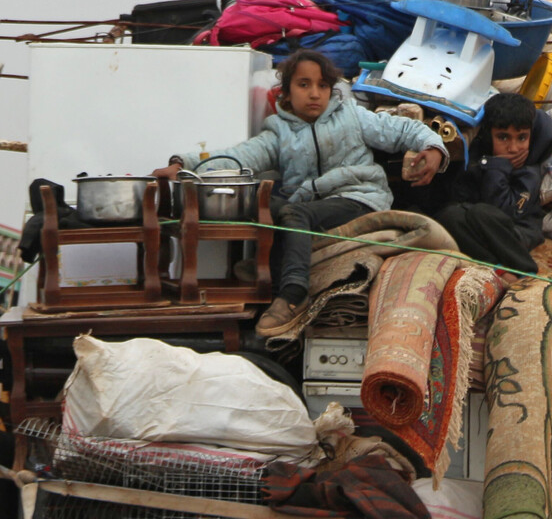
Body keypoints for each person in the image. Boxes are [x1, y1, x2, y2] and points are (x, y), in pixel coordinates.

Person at [155, 49, 447, 337]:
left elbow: (402, 129)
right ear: (286, 91)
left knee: (293, 213)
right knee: (267, 203)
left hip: (358, 198)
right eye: (303, 84)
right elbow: (238, 157)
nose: (314, 93)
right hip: (308, 207)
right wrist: (184, 165)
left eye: (322, 85)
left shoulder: (353, 117)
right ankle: (268, 287)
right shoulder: (278, 132)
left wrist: (433, 146)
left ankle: (293, 294)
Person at [426, 92, 552, 274]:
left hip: (514, 234)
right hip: (478, 230)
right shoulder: (479, 157)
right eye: (503, 137)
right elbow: (459, 197)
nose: (513, 148)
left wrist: (498, 166)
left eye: (522, 138)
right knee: (449, 216)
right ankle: (496, 266)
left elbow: (505, 211)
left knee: (482, 212)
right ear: (489, 137)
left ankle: (523, 268)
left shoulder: (529, 173)